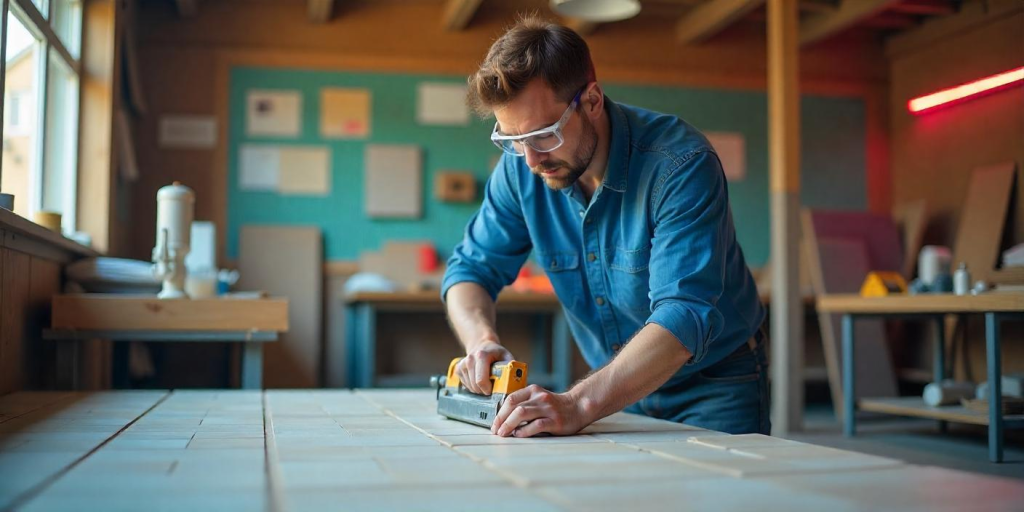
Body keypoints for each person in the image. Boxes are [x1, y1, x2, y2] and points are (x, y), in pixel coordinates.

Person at [441, 16, 768, 438]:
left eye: (544, 134)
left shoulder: (680, 164)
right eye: (512, 140)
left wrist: (578, 403)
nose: (530, 160)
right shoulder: (521, 169)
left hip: (715, 384)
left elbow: (683, 315)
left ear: (592, 101)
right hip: (614, 386)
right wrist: (480, 340)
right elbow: (470, 271)